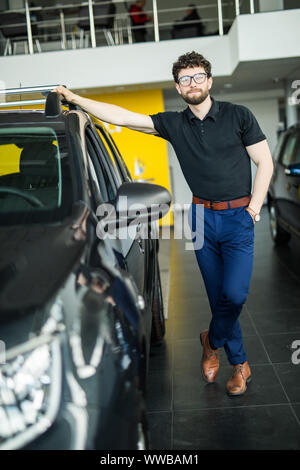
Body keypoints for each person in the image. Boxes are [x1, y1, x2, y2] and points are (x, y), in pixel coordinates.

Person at [53, 51, 274, 396]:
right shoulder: (174, 124)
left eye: (199, 76)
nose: (193, 83)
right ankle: (240, 366)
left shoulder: (238, 116)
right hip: (199, 218)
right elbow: (124, 117)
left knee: (234, 294)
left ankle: (210, 340)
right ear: (178, 86)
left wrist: (254, 210)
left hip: (238, 217)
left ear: (209, 80)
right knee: (218, 298)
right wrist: (76, 99)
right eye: (185, 79)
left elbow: (265, 162)